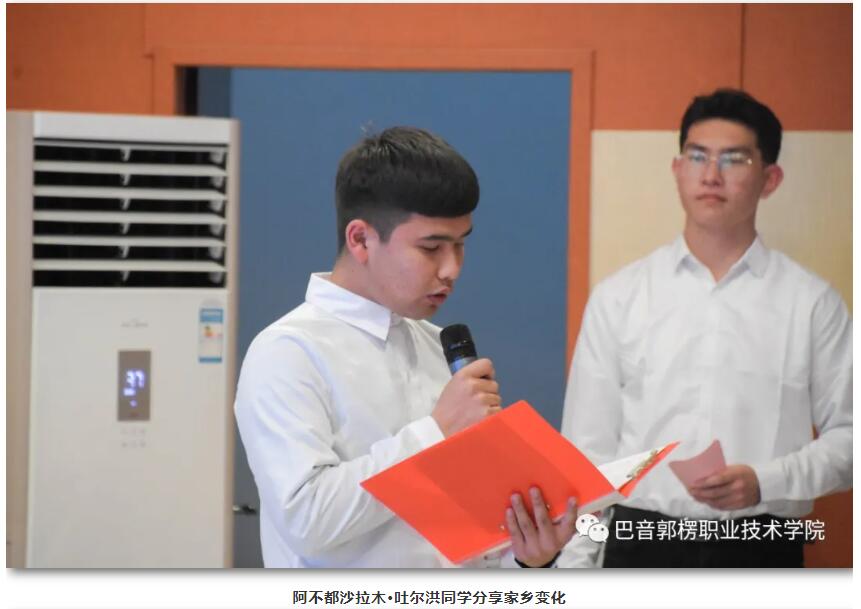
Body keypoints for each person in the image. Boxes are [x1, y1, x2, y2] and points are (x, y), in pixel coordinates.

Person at [235, 126, 577, 568]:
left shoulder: (437, 347)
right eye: (431, 248)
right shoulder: (288, 351)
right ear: (360, 239)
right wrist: (435, 433)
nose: (452, 269)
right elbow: (306, 519)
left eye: (460, 245)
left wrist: (528, 558)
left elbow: (472, 543)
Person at [558, 89, 852, 568]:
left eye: (733, 159)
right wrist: (576, 569)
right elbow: (586, 454)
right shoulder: (620, 296)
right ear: (677, 170)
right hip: (640, 542)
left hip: (762, 545)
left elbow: (852, 436)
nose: (711, 175)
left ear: (770, 179)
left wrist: (767, 481)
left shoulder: (811, 303)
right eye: (697, 157)